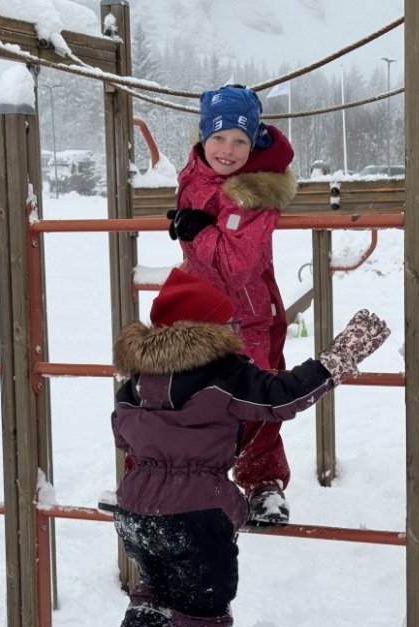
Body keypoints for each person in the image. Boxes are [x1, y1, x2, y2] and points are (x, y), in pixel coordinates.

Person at [103, 268, 389, 627]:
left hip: (135, 512)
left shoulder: (135, 379)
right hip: (196, 515)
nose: (235, 329)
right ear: (208, 330)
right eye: (228, 323)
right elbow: (282, 397)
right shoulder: (223, 375)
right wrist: (340, 357)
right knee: (200, 609)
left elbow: (121, 433)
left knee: (155, 588)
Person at [167, 84, 298, 525]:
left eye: (240, 140)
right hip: (199, 305)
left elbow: (237, 265)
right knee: (183, 396)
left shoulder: (254, 189)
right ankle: (175, 480)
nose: (227, 150)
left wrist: (197, 230)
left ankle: (262, 484)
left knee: (256, 400)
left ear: (253, 142)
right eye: (219, 137)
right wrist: (190, 227)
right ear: (203, 136)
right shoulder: (196, 171)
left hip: (249, 312)